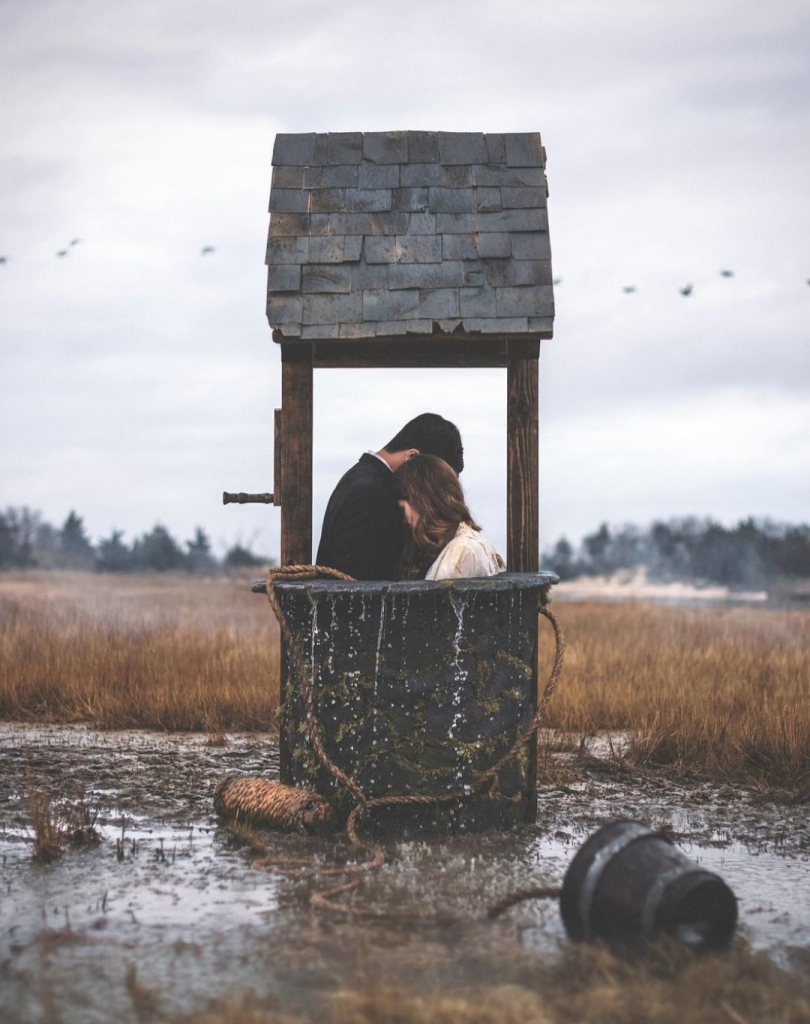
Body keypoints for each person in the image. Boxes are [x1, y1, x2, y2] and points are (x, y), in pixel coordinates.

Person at [316, 413, 464, 580]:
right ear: (413, 459)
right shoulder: (372, 493)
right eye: (437, 484)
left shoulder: (364, 480)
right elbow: (354, 585)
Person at [394, 454, 505, 580]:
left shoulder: (461, 551)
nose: (404, 519)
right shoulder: (461, 545)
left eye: (403, 509)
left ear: (421, 501)